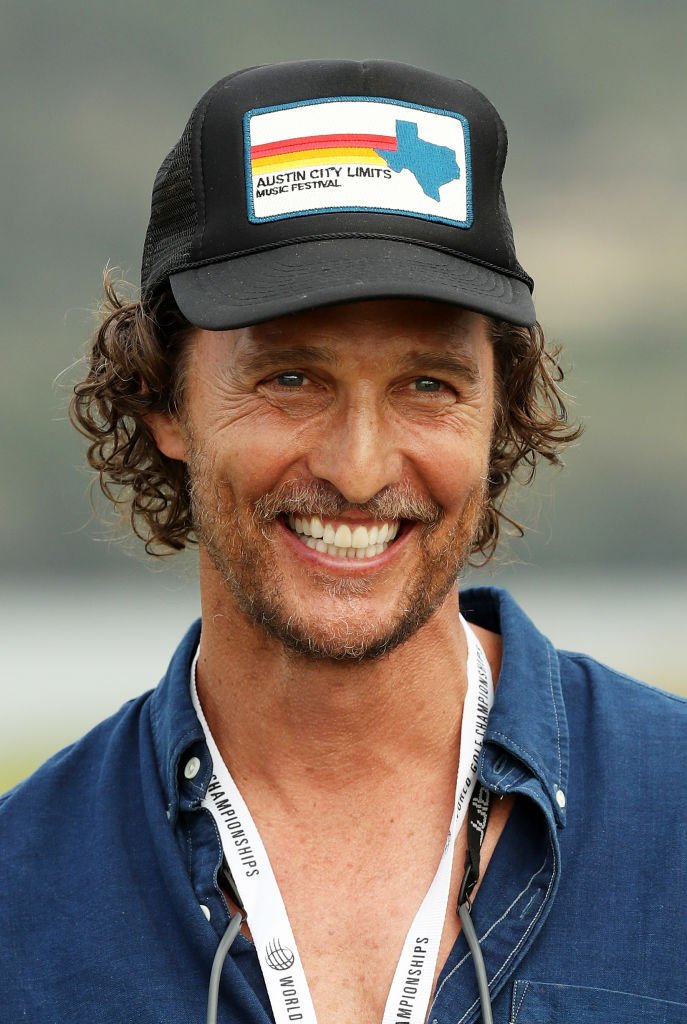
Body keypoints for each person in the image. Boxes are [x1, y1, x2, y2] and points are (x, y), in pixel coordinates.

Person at [1, 59, 685, 1024]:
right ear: (161, 398)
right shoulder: (20, 898)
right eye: (290, 379)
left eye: (428, 385)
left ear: (500, 411)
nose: (361, 470)